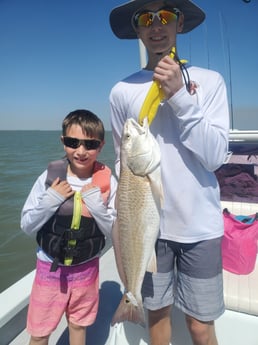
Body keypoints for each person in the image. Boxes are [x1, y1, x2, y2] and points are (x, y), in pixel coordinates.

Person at [109, 1, 229, 345]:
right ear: (137, 28)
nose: (156, 25)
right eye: (146, 18)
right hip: (148, 230)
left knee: (201, 326)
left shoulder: (209, 81)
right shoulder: (122, 90)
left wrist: (179, 95)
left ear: (180, 24)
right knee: (157, 318)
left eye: (166, 16)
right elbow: (122, 159)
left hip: (199, 227)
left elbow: (215, 157)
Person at [21, 109, 117, 345]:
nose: (81, 151)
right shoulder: (49, 177)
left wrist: (97, 207)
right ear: (63, 141)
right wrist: (49, 202)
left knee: (78, 325)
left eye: (90, 144)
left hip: (87, 270)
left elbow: (115, 232)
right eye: (73, 142)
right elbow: (27, 225)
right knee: (40, 331)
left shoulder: (108, 181)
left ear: (101, 145)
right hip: (50, 270)